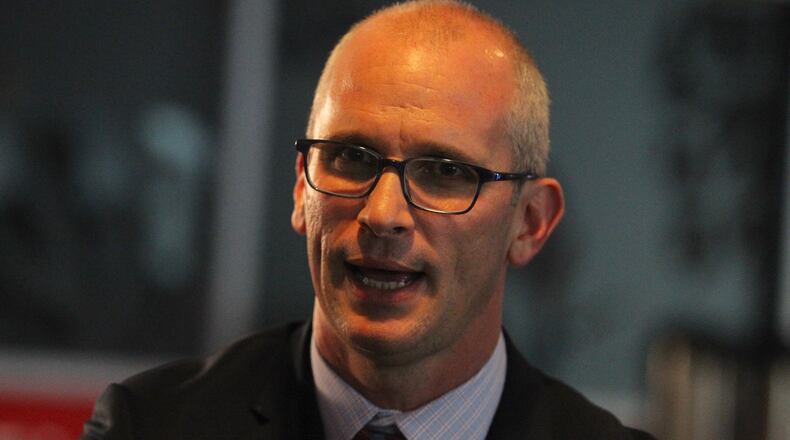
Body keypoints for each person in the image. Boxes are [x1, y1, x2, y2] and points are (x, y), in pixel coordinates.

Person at [81, 1, 655, 439]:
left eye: (444, 171)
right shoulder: (150, 427)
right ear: (302, 185)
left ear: (530, 223)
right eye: (351, 159)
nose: (383, 215)